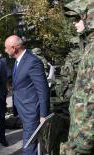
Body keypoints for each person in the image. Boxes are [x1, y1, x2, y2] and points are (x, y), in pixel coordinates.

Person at [4, 35, 50, 155]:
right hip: (24, 110)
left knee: (29, 146)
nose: (5, 50)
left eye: (6, 48)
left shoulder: (32, 61)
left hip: (32, 111)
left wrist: (43, 114)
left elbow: (43, 89)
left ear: (14, 48)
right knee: (30, 144)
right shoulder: (18, 61)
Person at [60, 0, 94, 154]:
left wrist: (81, 145)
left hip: (85, 140)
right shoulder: (89, 48)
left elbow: (91, 100)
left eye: (78, 19)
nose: (74, 24)